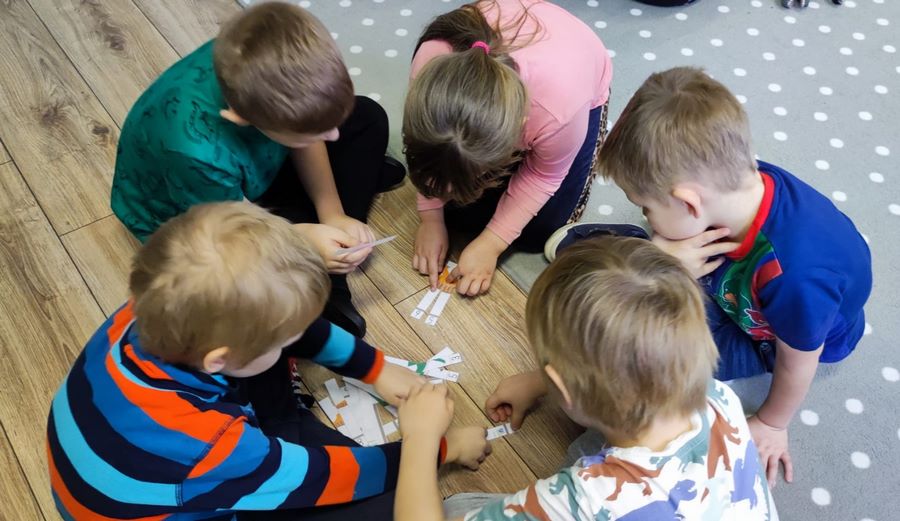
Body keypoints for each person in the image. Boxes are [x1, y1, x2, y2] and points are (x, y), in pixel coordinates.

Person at [46, 202, 489, 521]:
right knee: (386, 506)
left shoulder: (155, 309)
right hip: (168, 496)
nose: (297, 340)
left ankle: (282, 424)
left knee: (266, 337)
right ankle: (282, 432)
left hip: (135, 461)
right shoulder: (211, 444)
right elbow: (325, 479)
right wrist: (435, 446)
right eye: (286, 339)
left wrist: (373, 368)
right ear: (218, 359)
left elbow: (284, 323)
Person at [546, 67, 872, 488]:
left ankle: (652, 265)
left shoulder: (796, 280)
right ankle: (656, 258)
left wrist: (773, 422)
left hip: (770, 337)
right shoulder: (736, 181)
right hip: (734, 279)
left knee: (654, 361)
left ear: (689, 204)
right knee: (612, 265)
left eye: (645, 207)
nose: (645, 215)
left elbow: (798, 362)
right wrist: (664, 259)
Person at [395, 236, 777, 520]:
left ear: (564, 389)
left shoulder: (583, 500)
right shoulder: (719, 396)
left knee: (455, 507)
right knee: (586, 448)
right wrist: (543, 381)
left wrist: (422, 439)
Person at [111, 2, 404, 337]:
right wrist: (302, 239)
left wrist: (332, 212)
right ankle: (327, 286)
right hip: (207, 217)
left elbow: (309, 132)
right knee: (246, 271)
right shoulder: (193, 151)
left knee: (367, 117)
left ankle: (332, 231)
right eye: (316, 132)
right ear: (242, 120)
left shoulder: (259, 64)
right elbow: (237, 230)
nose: (333, 135)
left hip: (250, 165)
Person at [405, 0, 612, 296]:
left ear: (518, 130)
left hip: (576, 66)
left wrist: (492, 244)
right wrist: (431, 217)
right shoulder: (430, 62)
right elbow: (426, 149)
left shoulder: (556, 110)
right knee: (460, 213)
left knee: (538, 232)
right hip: (507, 45)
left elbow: (544, 175)